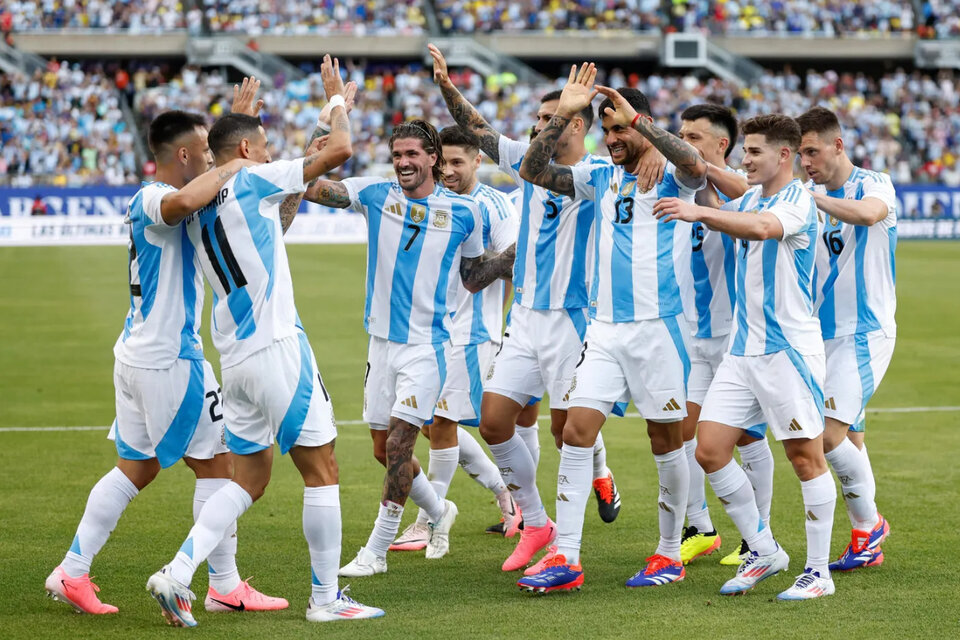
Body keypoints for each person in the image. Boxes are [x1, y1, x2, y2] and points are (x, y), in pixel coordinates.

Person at [144, 56, 384, 627]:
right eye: (266, 145)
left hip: (236, 359)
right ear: (248, 152)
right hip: (278, 348)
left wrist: (241, 126)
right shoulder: (250, 178)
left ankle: (178, 572)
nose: (274, 154)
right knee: (322, 469)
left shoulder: (203, 205)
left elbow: (280, 219)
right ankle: (326, 599)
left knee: (248, 477)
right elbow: (339, 154)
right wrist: (335, 107)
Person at [44, 104, 285, 616]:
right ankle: (222, 583)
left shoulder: (170, 194)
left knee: (136, 467)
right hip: (169, 360)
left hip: (136, 355)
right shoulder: (153, 197)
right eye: (203, 152)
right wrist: (237, 161)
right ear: (182, 154)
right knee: (221, 467)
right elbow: (180, 204)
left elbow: (207, 200)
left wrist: (229, 134)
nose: (210, 160)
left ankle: (72, 570)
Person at [429, 45, 646, 574]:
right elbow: (478, 130)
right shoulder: (528, 164)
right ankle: (537, 521)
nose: (538, 128)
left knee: (566, 432)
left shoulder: (597, 175)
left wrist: (575, 107)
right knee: (495, 421)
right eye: (538, 119)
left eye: (550, 119)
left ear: (578, 125)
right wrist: (446, 87)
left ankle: (583, 505)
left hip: (573, 320)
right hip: (524, 317)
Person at [514, 67, 705, 592]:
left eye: (620, 128)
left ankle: (669, 553)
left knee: (665, 439)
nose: (613, 138)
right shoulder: (598, 176)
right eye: (606, 128)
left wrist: (643, 124)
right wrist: (564, 112)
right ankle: (566, 557)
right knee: (575, 432)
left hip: (658, 329)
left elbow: (695, 163)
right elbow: (533, 170)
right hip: (603, 330)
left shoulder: (670, 174)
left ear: (641, 126)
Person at [301, 119, 515, 577]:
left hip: (428, 345)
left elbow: (473, 277)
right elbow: (309, 186)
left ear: (433, 157)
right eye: (397, 155)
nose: (402, 163)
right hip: (380, 344)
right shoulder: (374, 195)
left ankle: (376, 550)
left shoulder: (464, 213)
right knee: (383, 450)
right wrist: (325, 123)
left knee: (400, 443)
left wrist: (520, 253)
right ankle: (440, 512)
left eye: (412, 154)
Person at [654, 114, 837, 601]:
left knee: (805, 457)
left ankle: (818, 572)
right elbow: (724, 189)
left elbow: (759, 228)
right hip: (743, 349)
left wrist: (702, 213)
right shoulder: (753, 194)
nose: (745, 159)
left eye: (754, 151)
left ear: (784, 155)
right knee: (709, 450)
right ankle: (763, 549)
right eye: (744, 151)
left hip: (787, 351)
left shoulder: (797, 199)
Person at [389, 125, 522, 551]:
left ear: (477, 160)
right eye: (441, 161)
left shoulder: (494, 205)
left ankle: (430, 520)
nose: (447, 170)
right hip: (433, 331)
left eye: (457, 162)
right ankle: (508, 495)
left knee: (441, 424)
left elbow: (514, 265)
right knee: (430, 426)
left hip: (470, 332)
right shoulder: (434, 203)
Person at [675, 104, 775, 568]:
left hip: (737, 339)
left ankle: (760, 537)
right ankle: (701, 528)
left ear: (721, 146)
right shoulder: (675, 185)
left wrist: (705, 172)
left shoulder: (745, 191)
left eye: (694, 137)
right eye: (679, 134)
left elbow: (746, 201)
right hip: (692, 339)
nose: (682, 142)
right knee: (681, 434)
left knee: (748, 439)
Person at [797, 106, 895, 571]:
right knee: (851, 436)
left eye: (812, 151)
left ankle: (869, 524)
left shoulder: (875, 183)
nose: (806, 162)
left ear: (838, 145)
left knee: (826, 435)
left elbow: (867, 215)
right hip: (820, 336)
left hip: (864, 332)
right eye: (799, 154)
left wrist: (812, 199)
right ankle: (865, 537)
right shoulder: (806, 192)